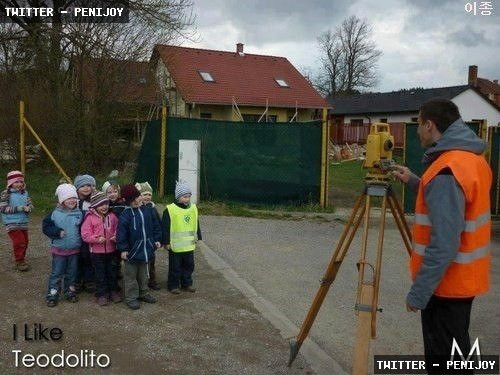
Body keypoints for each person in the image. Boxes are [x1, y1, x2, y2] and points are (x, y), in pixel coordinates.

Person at [393, 98, 491, 369]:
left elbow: (445, 242)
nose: (416, 131)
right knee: (458, 356)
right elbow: (455, 203)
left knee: (445, 361)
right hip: (462, 281)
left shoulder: (447, 170)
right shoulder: (469, 159)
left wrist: (419, 293)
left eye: (418, 124)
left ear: (430, 125)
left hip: (445, 286)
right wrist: (415, 181)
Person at [116, 184, 162, 310]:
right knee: (131, 276)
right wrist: (123, 249)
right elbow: (121, 234)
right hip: (131, 253)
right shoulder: (125, 215)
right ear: (126, 201)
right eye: (132, 200)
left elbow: (156, 225)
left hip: (146, 250)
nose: (136, 201)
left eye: (137, 197)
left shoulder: (148, 210)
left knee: (144, 275)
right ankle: (131, 297)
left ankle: (143, 293)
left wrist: (157, 239)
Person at [42, 184, 83, 307]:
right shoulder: (54, 213)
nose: (72, 201)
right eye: (68, 198)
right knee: (57, 272)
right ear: (62, 200)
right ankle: (53, 293)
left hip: (74, 250)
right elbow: (46, 227)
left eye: (74, 198)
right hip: (59, 250)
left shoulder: (80, 213)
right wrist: (57, 232)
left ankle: (70, 291)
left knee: (72, 272)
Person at [81, 192, 121, 306]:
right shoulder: (89, 218)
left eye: (106, 203)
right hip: (96, 253)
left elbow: (118, 228)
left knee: (112, 272)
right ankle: (102, 294)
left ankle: (113, 291)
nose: (104, 207)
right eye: (101, 204)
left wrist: (116, 236)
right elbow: (85, 234)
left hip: (111, 250)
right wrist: (96, 239)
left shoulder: (112, 216)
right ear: (94, 206)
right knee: (100, 274)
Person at [162, 180, 202, 294]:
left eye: (189, 196)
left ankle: (187, 283)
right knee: (175, 267)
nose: (187, 199)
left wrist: (197, 236)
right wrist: (166, 242)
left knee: (189, 266)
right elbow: (165, 227)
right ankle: (173, 285)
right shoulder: (170, 210)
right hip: (175, 246)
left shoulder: (193, 208)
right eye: (184, 197)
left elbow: (195, 223)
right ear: (178, 197)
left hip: (189, 246)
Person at [0, 171, 33, 272]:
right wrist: (20, 208)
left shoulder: (25, 192)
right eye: (16, 182)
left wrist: (30, 207)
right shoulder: (6, 193)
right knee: (19, 242)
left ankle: (21, 258)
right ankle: (19, 261)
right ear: (10, 183)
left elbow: (30, 203)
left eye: (21, 182)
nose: (19, 184)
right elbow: (3, 208)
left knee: (25, 242)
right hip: (11, 222)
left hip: (23, 221)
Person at [135, 181, 161, 290]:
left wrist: (158, 239)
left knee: (151, 262)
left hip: (150, 241)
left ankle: (152, 281)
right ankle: (140, 283)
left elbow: (157, 225)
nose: (147, 197)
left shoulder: (152, 209)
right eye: (144, 194)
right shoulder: (135, 209)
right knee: (140, 264)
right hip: (139, 242)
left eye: (149, 194)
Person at [74, 174, 96, 293]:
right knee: (77, 258)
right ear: (77, 188)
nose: (87, 188)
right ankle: (77, 280)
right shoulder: (72, 201)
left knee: (88, 258)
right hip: (76, 235)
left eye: (89, 185)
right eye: (83, 185)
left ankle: (89, 280)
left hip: (89, 236)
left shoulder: (93, 201)